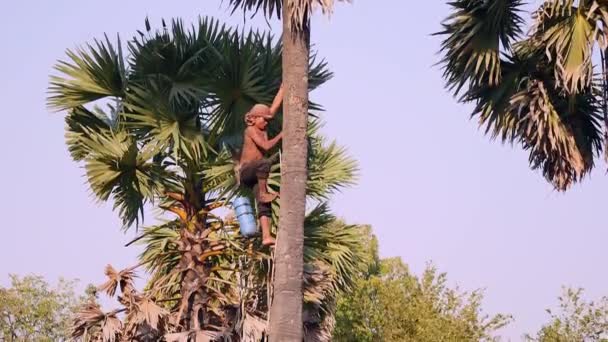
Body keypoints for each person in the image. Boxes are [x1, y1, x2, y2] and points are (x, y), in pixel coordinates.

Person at [238, 84, 284, 246]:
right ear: (254, 118)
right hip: (246, 172)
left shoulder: (262, 128)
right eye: (263, 119)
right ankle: (264, 192)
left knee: (264, 206)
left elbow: (272, 110)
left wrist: (282, 90)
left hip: (256, 175)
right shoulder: (250, 130)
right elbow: (266, 147)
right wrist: (282, 135)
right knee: (264, 162)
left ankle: (266, 236)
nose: (266, 122)